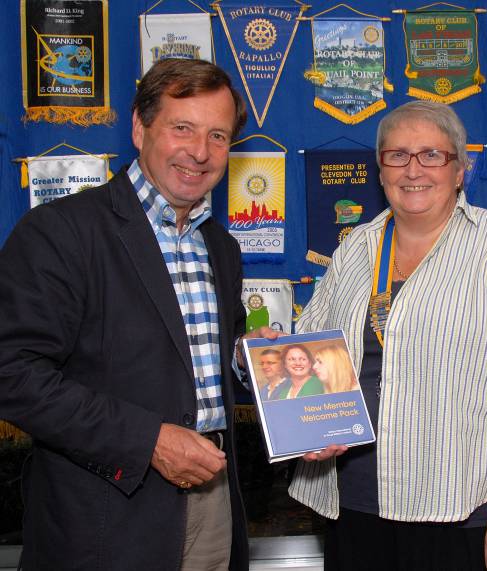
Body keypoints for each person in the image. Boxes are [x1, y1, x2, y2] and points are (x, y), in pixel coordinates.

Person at [286, 100, 487, 571]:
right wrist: (263, 361)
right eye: (398, 155)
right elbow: (311, 352)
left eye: (432, 155)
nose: (413, 170)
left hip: (460, 510)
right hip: (355, 503)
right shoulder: (355, 250)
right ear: (380, 168)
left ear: (460, 168)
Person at [0, 59, 251, 569]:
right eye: (182, 128)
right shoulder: (62, 231)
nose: (200, 153)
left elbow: (203, 364)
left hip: (214, 502)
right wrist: (148, 441)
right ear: (140, 127)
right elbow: (12, 373)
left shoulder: (220, 246)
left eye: (218, 136)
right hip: (106, 515)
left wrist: (252, 363)